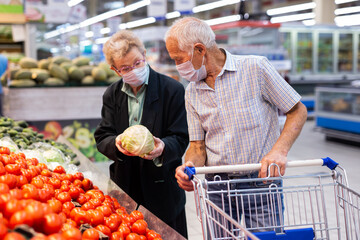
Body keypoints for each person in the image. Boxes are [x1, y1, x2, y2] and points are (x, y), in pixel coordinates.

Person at [165, 17, 307, 232]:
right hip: (217, 186)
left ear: (199, 50)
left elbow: (297, 110)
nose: (177, 66)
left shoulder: (255, 68)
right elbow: (197, 146)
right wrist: (189, 168)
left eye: (178, 59)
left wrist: (279, 151)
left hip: (261, 182)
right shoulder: (192, 91)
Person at [94, 30, 189, 238]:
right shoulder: (112, 94)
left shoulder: (172, 90)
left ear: (144, 55)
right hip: (125, 188)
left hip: (163, 191)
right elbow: (102, 136)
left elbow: (181, 137)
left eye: (137, 63)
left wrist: (162, 147)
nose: (134, 70)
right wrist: (116, 143)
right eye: (126, 68)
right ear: (115, 70)